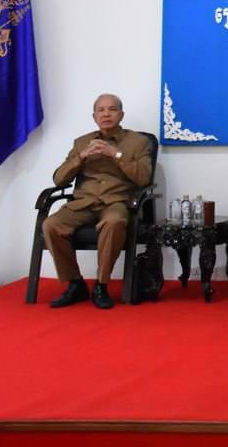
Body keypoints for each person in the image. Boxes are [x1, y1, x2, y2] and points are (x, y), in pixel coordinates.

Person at [43, 94, 154, 310]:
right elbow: (59, 179)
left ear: (121, 115)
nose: (106, 114)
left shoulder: (139, 142)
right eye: (101, 110)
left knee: (113, 223)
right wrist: (81, 157)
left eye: (112, 109)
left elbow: (144, 178)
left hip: (116, 202)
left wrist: (117, 154)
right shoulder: (81, 142)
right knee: (51, 225)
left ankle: (101, 286)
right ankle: (75, 283)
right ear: (94, 117)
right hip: (83, 203)